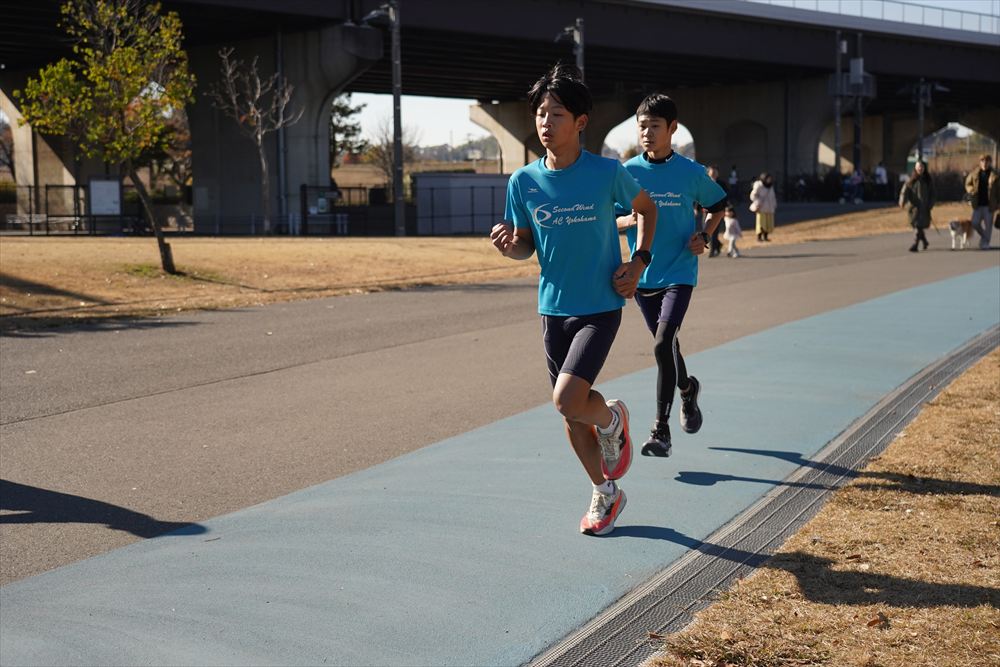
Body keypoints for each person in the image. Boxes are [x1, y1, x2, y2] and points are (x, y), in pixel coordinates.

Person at [490, 64, 657, 537]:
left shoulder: (607, 172)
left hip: (600, 304)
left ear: (581, 122)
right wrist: (510, 246)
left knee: (567, 399)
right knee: (569, 412)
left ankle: (612, 419)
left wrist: (639, 262)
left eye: (557, 114)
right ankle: (606, 492)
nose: (546, 122)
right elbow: (525, 244)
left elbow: (646, 210)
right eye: (541, 113)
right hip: (552, 309)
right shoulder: (523, 181)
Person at [616, 93, 726, 459]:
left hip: (679, 271)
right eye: (642, 126)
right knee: (669, 347)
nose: (647, 133)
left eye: (655, 126)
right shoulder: (628, 172)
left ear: (672, 128)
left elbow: (719, 205)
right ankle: (688, 390)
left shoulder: (691, 173)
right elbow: (610, 216)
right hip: (643, 275)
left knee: (663, 344)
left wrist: (705, 235)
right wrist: (627, 220)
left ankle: (660, 430)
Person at [964, 154, 999, 250]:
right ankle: (984, 237)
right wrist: (971, 190)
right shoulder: (974, 173)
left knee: (988, 226)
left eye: (987, 161)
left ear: (990, 162)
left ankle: (985, 243)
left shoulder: (995, 174)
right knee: (974, 223)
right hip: (978, 204)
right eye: (982, 161)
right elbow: (967, 183)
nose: (984, 163)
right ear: (980, 162)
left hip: (989, 205)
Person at [898, 160, 934, 253]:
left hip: (924, 207)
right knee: (916, 225)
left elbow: (933, 194)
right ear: (915, 168)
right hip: (914, 208)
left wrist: (930, 205)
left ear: (924, 168)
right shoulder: (911, 180)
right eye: (918, 166)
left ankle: (915, 244)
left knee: (918, 226)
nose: (920, 168)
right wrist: (902, 201)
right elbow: (904, 191)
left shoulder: (928, 181)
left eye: (921, 166)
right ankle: (925, 241)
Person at [704, 165, 728, 257]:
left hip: (717, 211)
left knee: (714, 231)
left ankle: (712, 250)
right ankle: (717, 245)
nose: (713, 174)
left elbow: (726, 197)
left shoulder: (722, 184)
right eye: (712, 172)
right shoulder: (705, 183)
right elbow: (699, 196)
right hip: (706, 210)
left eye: (715, 172)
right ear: (708, 173)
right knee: (706, 229)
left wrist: (725, 209)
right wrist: (695, 208)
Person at [749, 172, 777, 241]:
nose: (769, 180)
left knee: (768, 223)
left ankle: (765, 237)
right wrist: (757, 202)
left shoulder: (770, 186)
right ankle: (759, 237)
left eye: (770, 178)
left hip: (769, 207)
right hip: (761, 207)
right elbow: (753, 196)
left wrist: (774, 205)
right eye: (768, 178)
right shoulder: (758, 185)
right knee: (761, 223)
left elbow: (773, 196)